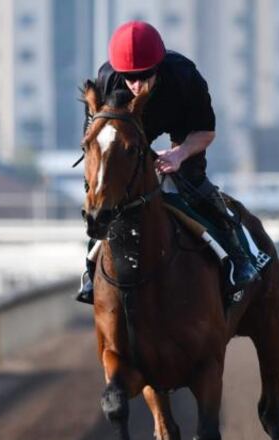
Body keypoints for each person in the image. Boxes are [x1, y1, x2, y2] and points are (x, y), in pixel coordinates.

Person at [76, 20, 260, 305]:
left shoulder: (185, 77)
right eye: (130, 78)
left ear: (158, 68)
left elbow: (206, 132)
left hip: (183, 132)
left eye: (144, 76)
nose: (136, 86)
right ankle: (91, 271)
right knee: (106, 193)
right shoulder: (108, 79)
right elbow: (95, 136)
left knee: (194, 183)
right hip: (128, 134)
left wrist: (179, 154)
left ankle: (238, 258)